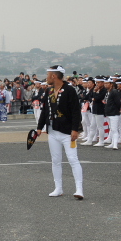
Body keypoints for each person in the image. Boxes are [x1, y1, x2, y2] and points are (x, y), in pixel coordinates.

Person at [36, 65, 84, 199]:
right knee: (55, 160)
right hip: (53, 131)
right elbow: (45, 110)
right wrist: (40, 127)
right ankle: (58, 188)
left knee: (73, 159)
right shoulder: (49, 90)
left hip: (67, 132)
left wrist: (75, 129)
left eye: (48, 74)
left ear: (54, 76)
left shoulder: (69, 90)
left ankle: (79, 189)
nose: (46, 77)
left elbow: (76, 111)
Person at [103, 78, 121, 150]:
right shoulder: (108, 92)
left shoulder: (114, 91)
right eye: (105, 83)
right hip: (108, 112)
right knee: (111, 128)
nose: (105, 85)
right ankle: (112, 143)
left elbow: (118, 102)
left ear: (111, 84)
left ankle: (115, 145)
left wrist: (117, 109)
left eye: (107, 83)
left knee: (114, 129)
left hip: (114, 112)